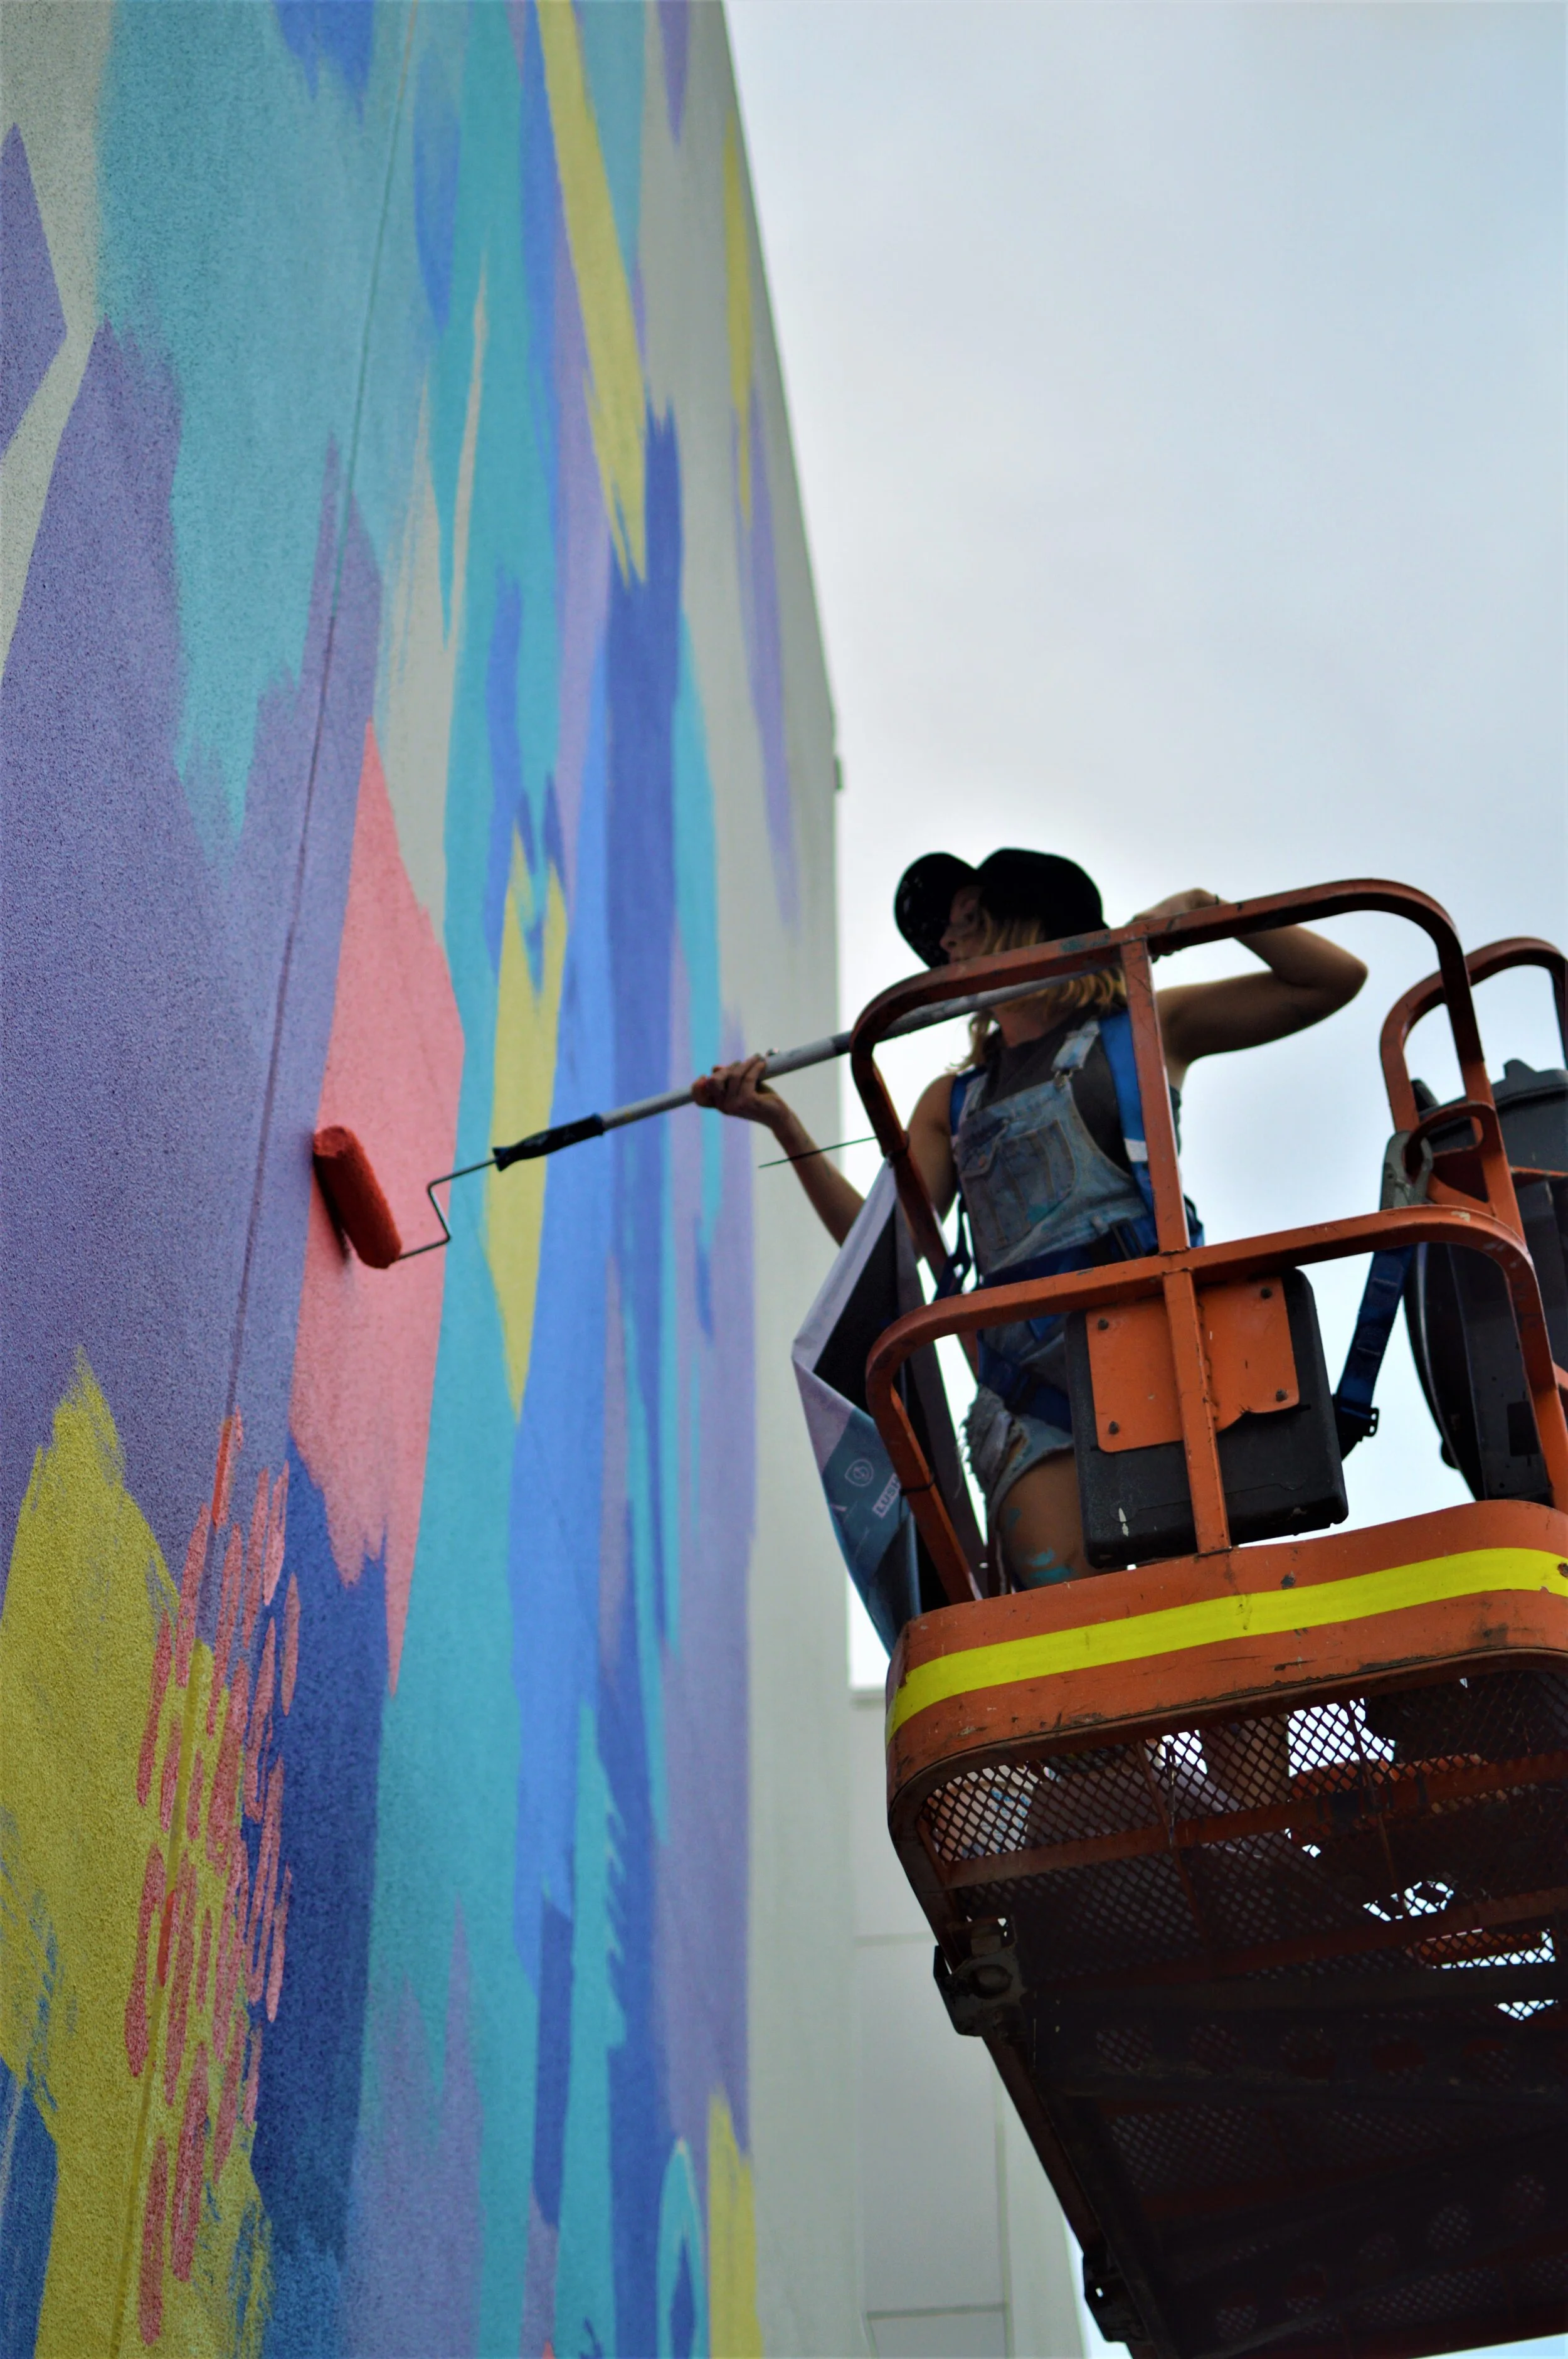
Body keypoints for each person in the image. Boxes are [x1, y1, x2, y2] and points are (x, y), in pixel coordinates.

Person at [692, 848, 1366, 1592]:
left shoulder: (1144, 1025)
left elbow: (1331, 980)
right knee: (1061, 1623)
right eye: (944, 937)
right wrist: (782, 1125)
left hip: (1167, 1360)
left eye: (970, 923)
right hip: (1030, 1403)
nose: (947, 948)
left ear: (1032, 923)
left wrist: (1201, 907)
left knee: (1218, 1618)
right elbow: (888, 1244)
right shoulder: (951, 1102)